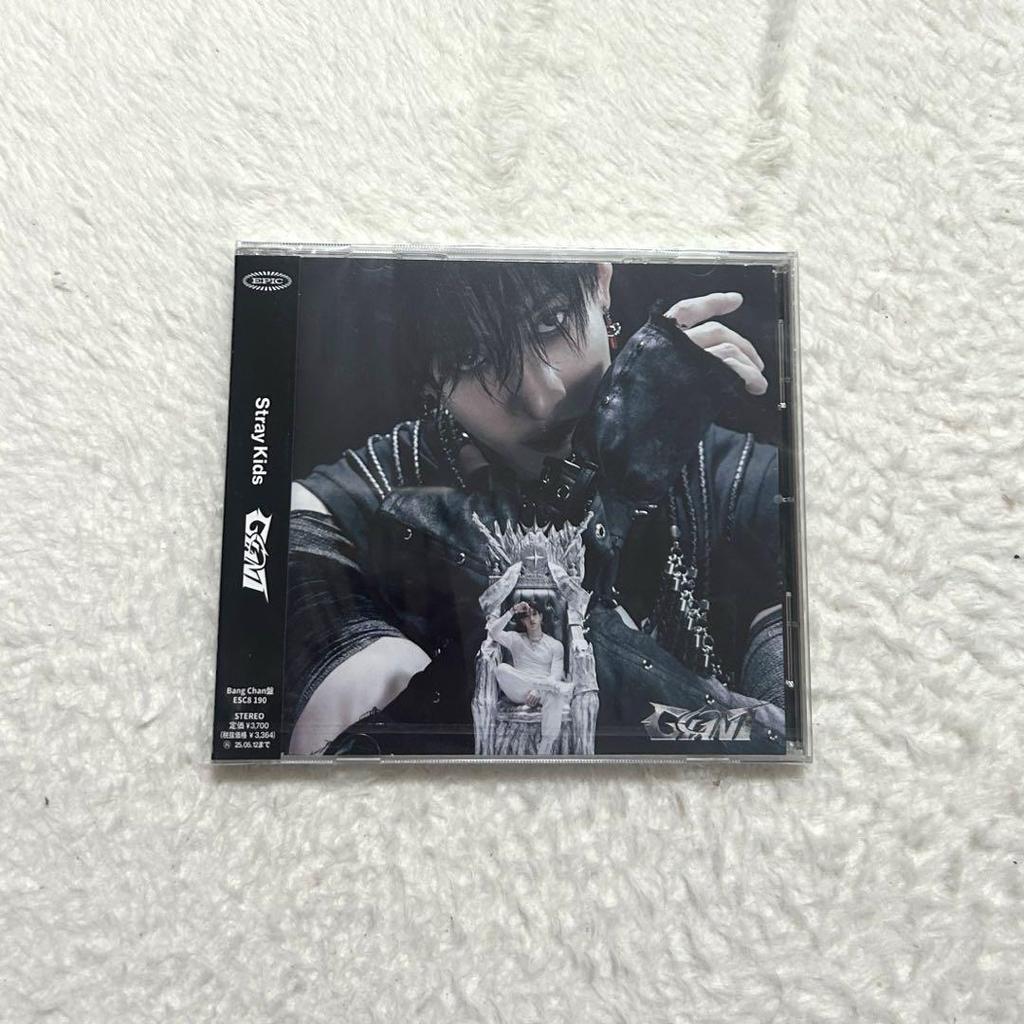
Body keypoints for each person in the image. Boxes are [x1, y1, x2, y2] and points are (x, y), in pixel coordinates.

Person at [284, 259, 785, 756]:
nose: (542, 398)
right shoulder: (320, 520)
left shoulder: (747, 484)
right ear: (429, 377)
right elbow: (355, 766)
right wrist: (602, 506)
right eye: (471, 357)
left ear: (602, 283)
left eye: (552, 322)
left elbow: (786, 756)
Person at [486, 600, 572, 756]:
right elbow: (493, 632)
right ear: (522, 621)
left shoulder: (555, 645)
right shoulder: (515, 638)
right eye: (526, 616)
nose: (531, 619)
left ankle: (545, 748)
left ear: (541, 617)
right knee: (501, 669)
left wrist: (539, 690)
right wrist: (512, 611)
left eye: (535, 614)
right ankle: (546, 686)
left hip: (543, 693)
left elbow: (555, 674)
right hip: (519, 691)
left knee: (554, 694)